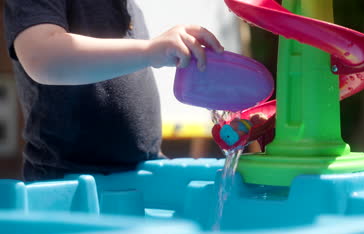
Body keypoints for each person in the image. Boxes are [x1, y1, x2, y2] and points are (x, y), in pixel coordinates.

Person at [3, 0, 224, 181]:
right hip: (68, 181)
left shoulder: (128, 10)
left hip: (139, 172)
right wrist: (150, 51)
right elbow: (43, 58)